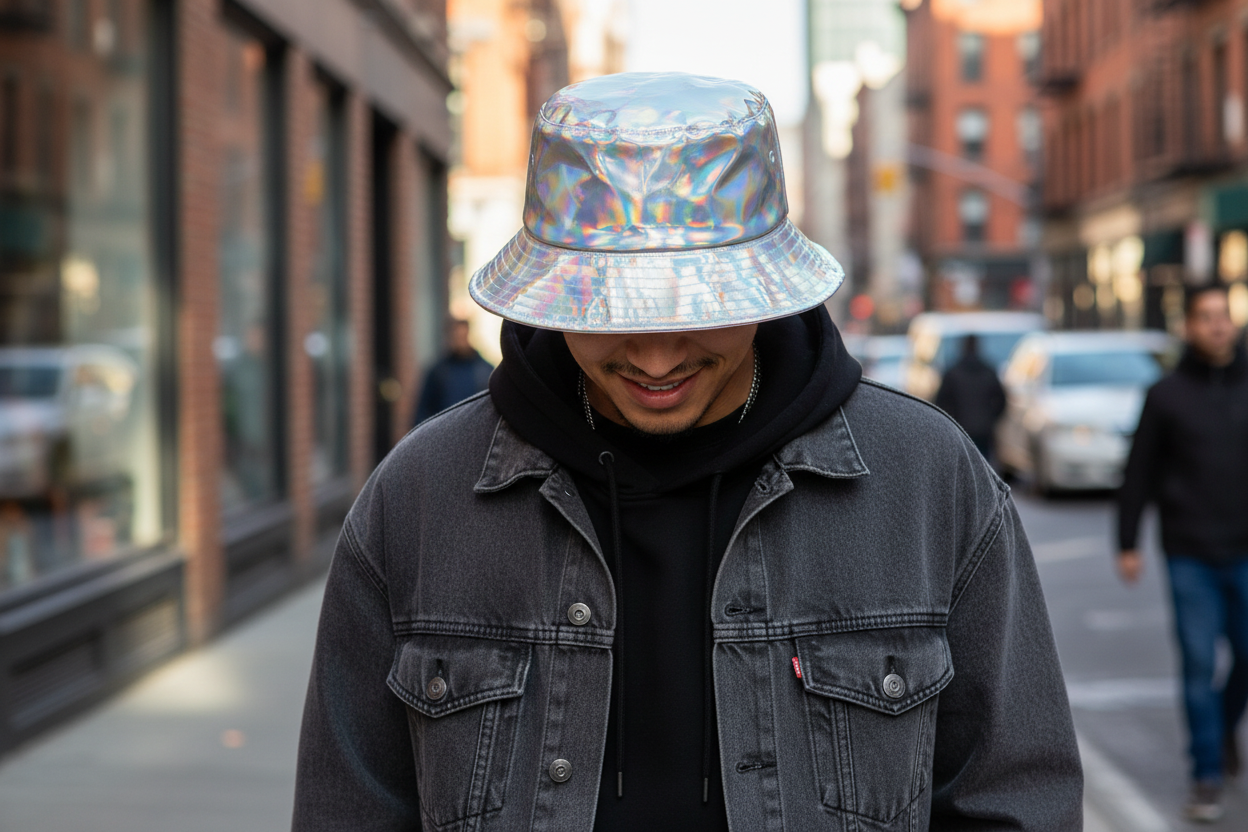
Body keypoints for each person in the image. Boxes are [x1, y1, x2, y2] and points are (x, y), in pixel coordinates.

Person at [293, 72, 1080, 831]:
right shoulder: (422, 496)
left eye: (702, 308)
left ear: (764, 294)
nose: (658, 358)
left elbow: (1015, 799)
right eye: (612, 310)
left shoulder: (926, 482)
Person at [1117, 282, 1248, 823]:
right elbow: (1138, 473)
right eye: (1206, 316)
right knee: (1197, 662)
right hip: (1189, 552)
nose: (1218, 324)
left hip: (1246, 550)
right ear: (1189, 326)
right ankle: (1206, 774)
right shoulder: (1165, 394)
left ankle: (1219, 726)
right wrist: (1126, 542)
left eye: (1225, 315)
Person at [933, 334, 1006, 461]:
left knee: (962, 467)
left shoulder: (952, 373)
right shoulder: (988, 371)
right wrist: (991, 419)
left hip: (960, 429)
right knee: (984, 467)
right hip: (984, 430)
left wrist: (951, 420)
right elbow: (1002, 401)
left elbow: (940, 402)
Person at [412, 318, 494, 425]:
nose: (460, 341)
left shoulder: (485, 370)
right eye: (456, 336)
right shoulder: (439, 371)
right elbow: (423, 410)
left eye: (462, 336)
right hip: (444, 430)